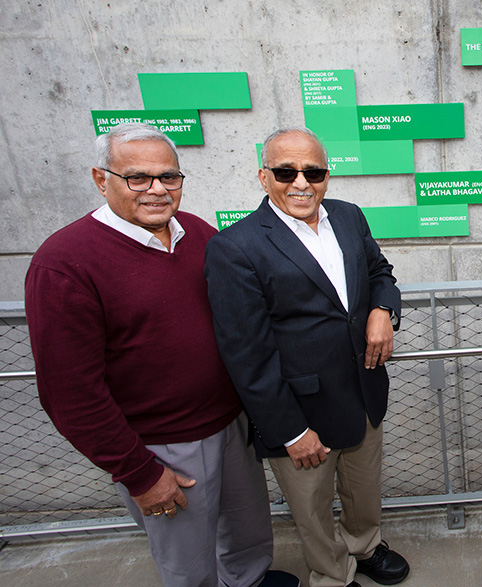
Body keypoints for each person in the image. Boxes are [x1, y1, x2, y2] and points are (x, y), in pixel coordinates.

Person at [24, 123, 298, 587]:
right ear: (101, 179)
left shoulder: (197, 233)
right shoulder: (64, 263)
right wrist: (139, 472)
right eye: (139, 178)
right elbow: (70, 392)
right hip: (163, 447)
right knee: (187, 561)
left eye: (169, 177)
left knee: (248, 532)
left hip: (232, 425)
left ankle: (248, 581)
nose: (157, 190)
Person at [204, 127, 409, 587]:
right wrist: (291, 431)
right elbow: (246, 355)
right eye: (286, 171)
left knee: (363, 492)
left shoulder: (349, 216)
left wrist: (383, 309)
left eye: (312, 171)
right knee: (312, 509)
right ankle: (334, 574)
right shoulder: (234, 247)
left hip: (363, 391)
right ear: (263, 176)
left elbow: (380, 271)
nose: (301, 182)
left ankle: (364, 546)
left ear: (327, 176)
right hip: (300, 412)